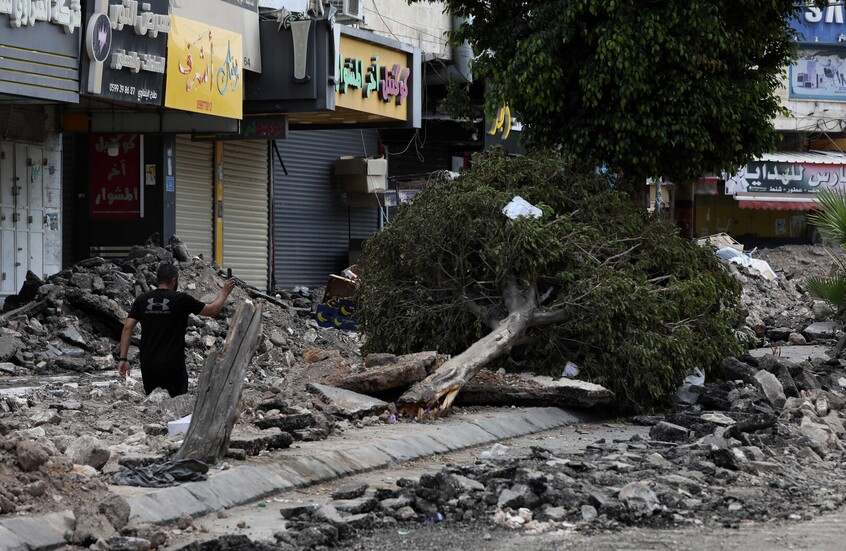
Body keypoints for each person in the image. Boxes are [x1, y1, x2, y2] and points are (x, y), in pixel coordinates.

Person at [117, 262, 236, 397]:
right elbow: (213, 310)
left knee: (154, 407)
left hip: (148, 366)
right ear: (174, 280)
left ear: (158, 280)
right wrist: (225, 292)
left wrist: (123, 359)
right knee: (176, 410)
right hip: (173, 366)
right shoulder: (181, 299)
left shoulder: (142, 300)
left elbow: (127, 327)